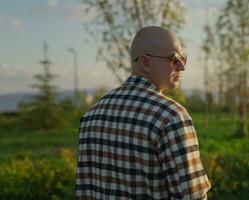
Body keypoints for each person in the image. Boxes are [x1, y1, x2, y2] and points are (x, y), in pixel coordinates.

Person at [76, 26, 211, 199]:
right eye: (174, 58)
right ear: (145, 62)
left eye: (183, 58)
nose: (182, 66)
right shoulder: (171, 117)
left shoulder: (91, 116)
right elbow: (192, 196)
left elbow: (84, 192)